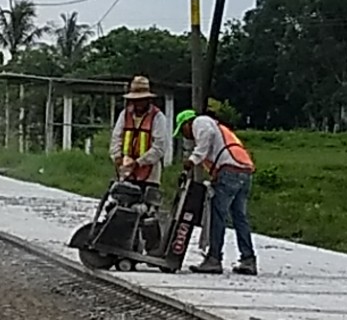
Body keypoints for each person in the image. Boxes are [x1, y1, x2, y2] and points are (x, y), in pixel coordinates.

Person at [174, 109, 257, 275]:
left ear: (187, 124)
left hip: (230, 171)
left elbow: (205, 141)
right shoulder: (215, 126)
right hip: (244, 171)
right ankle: (248, 260)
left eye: (183, 131)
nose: (185, 136)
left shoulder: (201, 122)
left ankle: (214, 259)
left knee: (217, 215)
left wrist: (191, 160)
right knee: (239, 217)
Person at [110, 76, 169, 254]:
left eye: (141, 100)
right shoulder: (125, 115)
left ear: (148, 99)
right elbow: (116, 139)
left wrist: (139, 162)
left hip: (149, 174)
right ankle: (126, 246)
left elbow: (159, 147)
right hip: (127, 172)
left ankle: (153, 250)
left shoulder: (158, 118)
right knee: (122, 208)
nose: (138, 103)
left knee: (147, 213)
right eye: (135, 100)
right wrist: (118, 158)